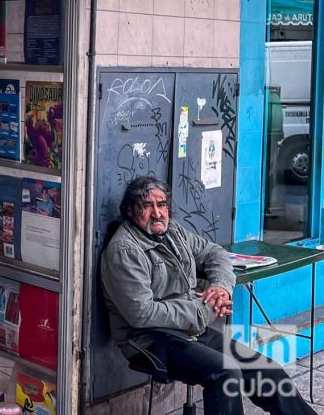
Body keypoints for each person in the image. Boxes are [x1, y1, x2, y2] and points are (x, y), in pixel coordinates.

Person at [101, 176, 315, 415]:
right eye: (146, 206)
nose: (157, 213)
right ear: (131, 211)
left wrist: (220, 288)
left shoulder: (173, 232)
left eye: (161, 205)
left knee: (265, 369)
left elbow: (215, 254)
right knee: (225, 373)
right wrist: (204, 309)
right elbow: (142, 313)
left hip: (189, 329)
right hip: (149, 339)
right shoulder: (125, 250)